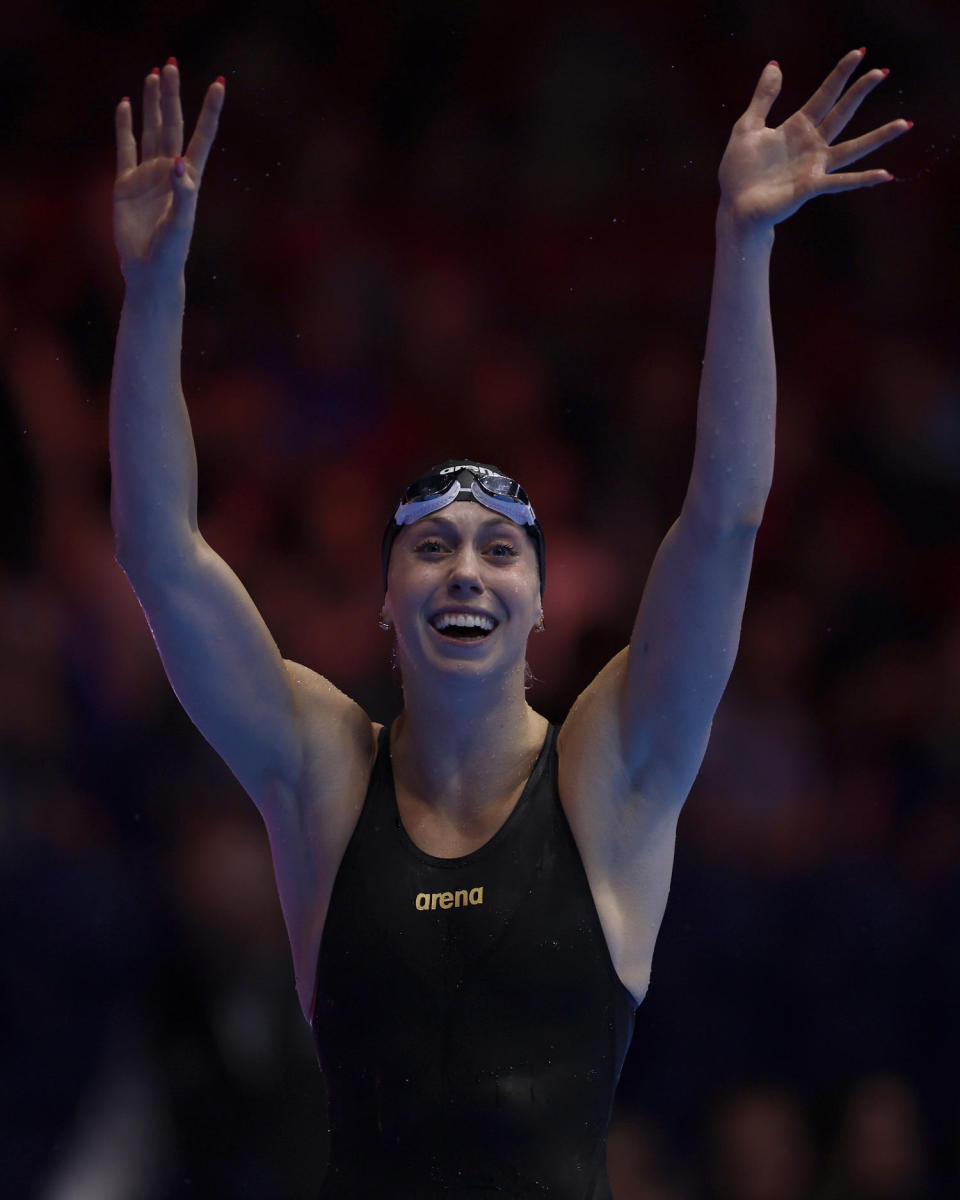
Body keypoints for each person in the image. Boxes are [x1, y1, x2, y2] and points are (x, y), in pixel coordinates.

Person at [109, 51, 910, 1199]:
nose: (466, 571)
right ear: (385, 600)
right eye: (430, 547)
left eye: (499, 549)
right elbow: (162, 559)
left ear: (540, 602)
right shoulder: (321, 777)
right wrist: (153, 295)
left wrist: (746, 245)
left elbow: (725, 520)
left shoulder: (612, 773)